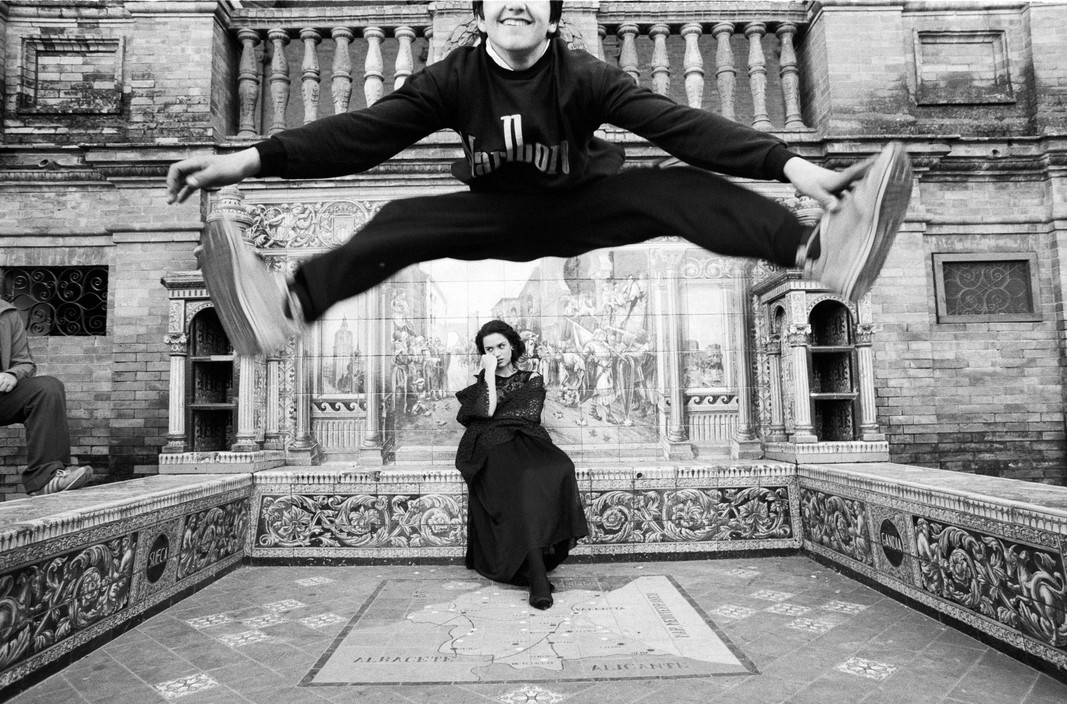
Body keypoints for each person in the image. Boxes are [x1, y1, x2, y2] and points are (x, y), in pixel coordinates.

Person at [165, 0, 912, 357]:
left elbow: (678, 123)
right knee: (398, 219)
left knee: (681, 190)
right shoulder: (451, 79)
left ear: (550, 22)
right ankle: (286, 306)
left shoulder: (582, 75)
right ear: (485, 17)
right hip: (494, 213)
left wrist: (793, 166)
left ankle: (819, 252)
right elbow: (358, 135)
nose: (514, 2)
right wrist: (245, 159)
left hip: (580, 207)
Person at [455, 320, 588, 609]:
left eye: (501, 346)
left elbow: (528, 414)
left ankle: (535, 565)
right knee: (523, 480)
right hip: (490, 445)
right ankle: (538, 578)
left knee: (559, 468)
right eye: (489, 349)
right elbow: (486, 411)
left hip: (526, 438)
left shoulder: (532, 378)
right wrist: (488, 373)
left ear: (513, 346)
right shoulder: (483, 382)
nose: (497, 352)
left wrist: (497, 411)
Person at [0, 300, 93, 496]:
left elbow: (24, 362)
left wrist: (12, 374)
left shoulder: (6, 313)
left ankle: (47, 478)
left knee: (48, 388)